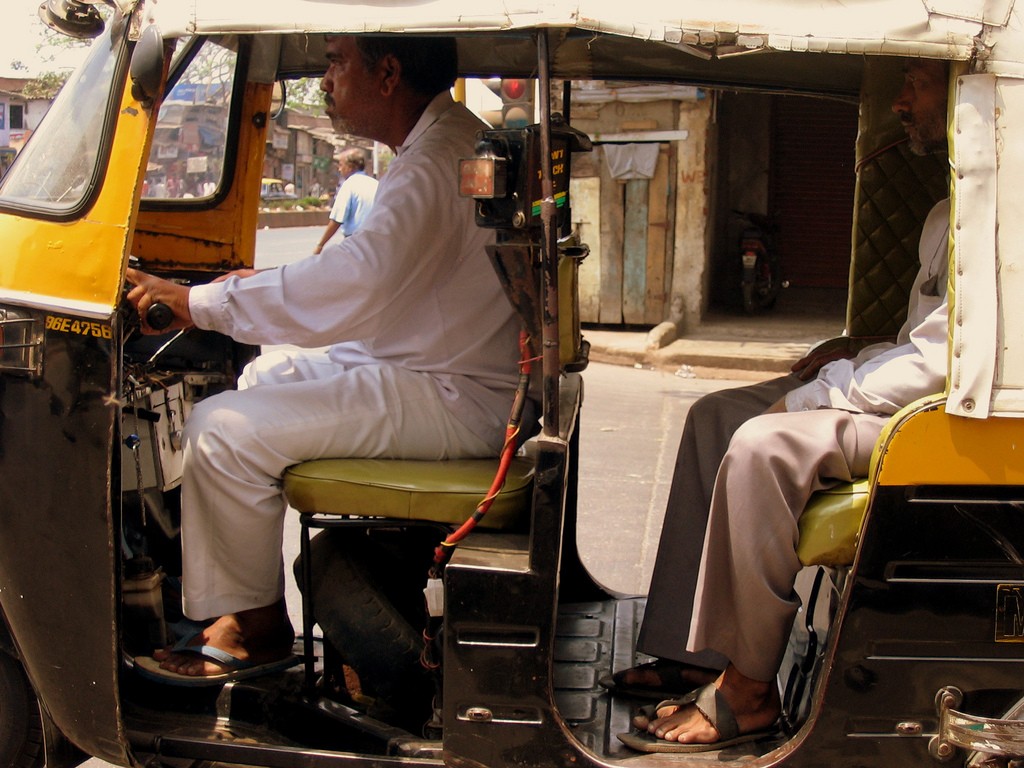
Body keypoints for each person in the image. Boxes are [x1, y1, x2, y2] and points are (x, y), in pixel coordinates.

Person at [125, 34, 521, 684]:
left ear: (388, 73)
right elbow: (370, 278)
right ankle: (239, 601)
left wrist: (201, 304)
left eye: (336, 62)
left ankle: (258, 631)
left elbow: (356, 285)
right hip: (437, 369)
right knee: (263, 374)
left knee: (221, 433)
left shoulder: (433, 161)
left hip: (454, 394)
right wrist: (240, 294)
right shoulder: (440, 145)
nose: (325, 82)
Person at [612, 58, 951, 752]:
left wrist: (821, 393)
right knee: (716, 418)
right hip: (915, 395)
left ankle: (749, 689)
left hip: (949, 422)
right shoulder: (951, 212)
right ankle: (694, 649)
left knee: (763, 444)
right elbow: (928, 338)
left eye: (917, 82)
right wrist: (860, 349)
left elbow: (944, 363)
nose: (902, 103)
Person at [314, 148, 379, 254]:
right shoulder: (375, 184)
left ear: (350, 167)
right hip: (376, 242)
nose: (339, 169)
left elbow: (337, 219)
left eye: (341, 165)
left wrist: (320, 245)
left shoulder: (349, 185)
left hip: (356, 243)